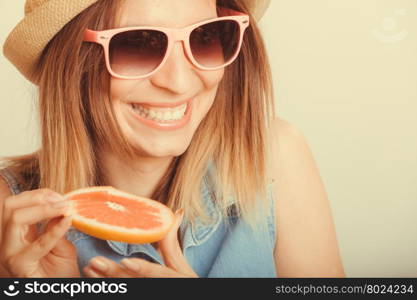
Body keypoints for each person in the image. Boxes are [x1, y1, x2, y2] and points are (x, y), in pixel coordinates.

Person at [0, 0, 345, 278]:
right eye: (137, 44)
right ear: (71, 66)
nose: (178, 82)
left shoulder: (274, 155)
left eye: (205, 37)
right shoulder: (13, 220)